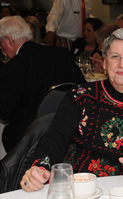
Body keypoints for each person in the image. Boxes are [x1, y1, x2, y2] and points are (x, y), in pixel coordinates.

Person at [20, 28, 123, 192]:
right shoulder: (81, 96)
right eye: (115, 56)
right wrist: (40, 168)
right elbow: (56, 137)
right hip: (77, 187)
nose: (122, 64)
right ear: (105, 63)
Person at [0, 16, 85, 153]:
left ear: (9, 40)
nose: (2, 48)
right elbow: (82, 88)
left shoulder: (12, 68)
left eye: (1, 43)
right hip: (68, 130)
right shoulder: (62, 54)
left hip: (29, 138)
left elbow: (4, 112)